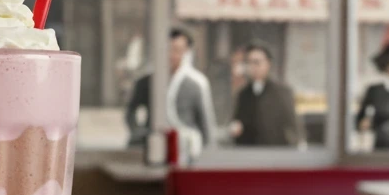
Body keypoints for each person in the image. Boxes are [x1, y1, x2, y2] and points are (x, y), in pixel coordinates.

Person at [125, 27, 217, 155]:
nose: (172, 55)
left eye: (177, 50)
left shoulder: (197, 83)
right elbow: (131, 111)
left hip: (185, 145)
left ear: (186, 51)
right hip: (153, 142)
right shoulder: (147, 81)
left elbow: (205, 123)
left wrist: (208, 151)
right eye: (168, 49)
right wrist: (138, 131)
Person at [229, 43, 300, 147]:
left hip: (275, 154)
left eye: (256, 62)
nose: (253, 67)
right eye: (249, 63)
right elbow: (237, 122)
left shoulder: (282, 92)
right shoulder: (243, 95)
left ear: (268, 63)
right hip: (248, 154)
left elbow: (293, 127)